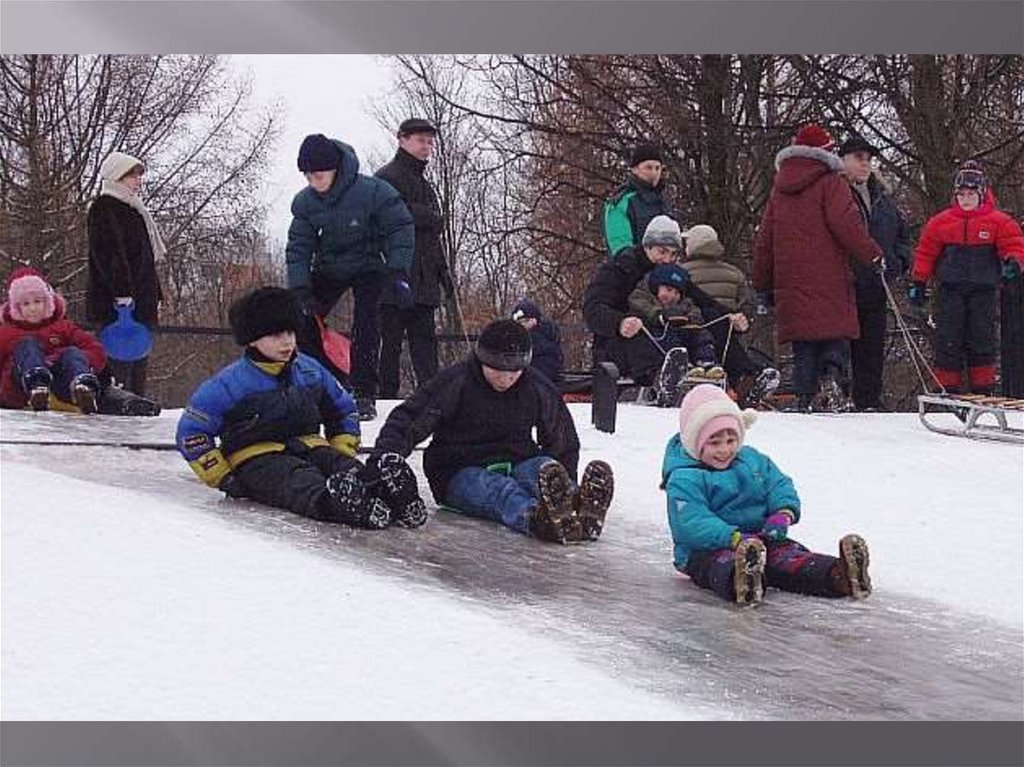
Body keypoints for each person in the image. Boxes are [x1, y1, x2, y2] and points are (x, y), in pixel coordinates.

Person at [175, 287, 426, 530]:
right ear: (251, 339)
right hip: (255, 458)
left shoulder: (309, 371)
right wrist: (223, 477)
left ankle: (388, 492)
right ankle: (336, 503)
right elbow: (192, 432)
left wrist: (342, 449)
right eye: (275, 336)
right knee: (297, 480)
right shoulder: (229, 384)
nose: (287, 343)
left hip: (309, 445)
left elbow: (343, 409)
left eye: (291, 334)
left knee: (340, 465)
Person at [370, 319, 614, 544]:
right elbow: (410, 419)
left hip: (517, 460)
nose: (507, 378)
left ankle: (576, 506)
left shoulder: (536, 386)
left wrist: (565, 472)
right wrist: (383, 461)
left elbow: (560, 432)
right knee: (501, 491)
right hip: (459, 471)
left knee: (542, 468)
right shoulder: (457, 382)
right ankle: (537, 520)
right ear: (483, 360)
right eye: (499, 370)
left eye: (514, 372)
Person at [661, 384, 872, 606]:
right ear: (695, 443)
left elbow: (778, 485)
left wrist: (783, 513)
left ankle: (838, 575)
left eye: (731, 441)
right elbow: (692, 522)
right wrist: (733, 538)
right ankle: (743, 580)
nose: (725, 450)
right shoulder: (685, 477)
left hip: (762, 538)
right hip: (707, 548)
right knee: (720, 564)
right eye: (714, 443)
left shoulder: (752, 460)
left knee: (788, 557)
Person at [752, 124, 883, 412]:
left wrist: (763, 284)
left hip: (791, 280)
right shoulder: (831, 182)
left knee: (804, 341)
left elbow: (765, 240)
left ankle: (804, 393)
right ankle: (832, 377)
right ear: (825, 152)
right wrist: (872, 255)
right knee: (834, 334)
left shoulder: (779, 189)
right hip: (829, 276)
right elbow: (846, 225)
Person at [285, 134, 415, 421]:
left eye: (318, 175)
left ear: (335, 169)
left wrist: (397, 270)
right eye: (308, 176)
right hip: (330, 266)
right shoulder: (305, 203)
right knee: (302, 319)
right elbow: (299, 247)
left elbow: (400, 227)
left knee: (367, 321)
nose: (313, 182)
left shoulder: (372, 191)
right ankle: (325, 383)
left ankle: (364, 390)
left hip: (369, 265)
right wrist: (301, 288)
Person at [584, 215, 749, 397]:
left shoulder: (673, 275)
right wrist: (619, 323)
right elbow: (593, 309)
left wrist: (730, 319)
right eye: (662, 252)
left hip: (670, 338)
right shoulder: (620, 269)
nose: (667, 259)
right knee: (643, 337)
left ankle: (744, 376)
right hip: (621, 345)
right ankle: (664, 378)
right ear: (647, 247)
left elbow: (705, 304)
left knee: (706, 329)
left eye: (672, 254)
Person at [910, 160, 1024, 395]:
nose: (966, 199)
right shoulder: (941, 222)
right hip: (950, 291)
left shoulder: (998, 222)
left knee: (981, 340)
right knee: (948, 340)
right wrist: (919, 282)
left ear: (981, 194)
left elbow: (1013, 244)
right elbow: (925, 252)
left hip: (983, 291)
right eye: (961, 194)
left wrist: (1013, 262)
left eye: (971, 194)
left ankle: (983, 389)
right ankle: (946, 389)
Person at [375, 118, 454, 399]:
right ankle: (384, 397)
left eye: (430, 142)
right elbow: (388, 219)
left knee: (425, 343)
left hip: (425, 276)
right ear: (403, 139)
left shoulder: (426, 185)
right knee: (390, 343)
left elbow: (433, 238)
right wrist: (426, 216)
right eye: (421, 140)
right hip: (394, 277)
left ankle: (431, 397)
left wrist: (443, 271)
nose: (427, 147)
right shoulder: (386, 178)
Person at [839, 135, 913, 411]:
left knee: (872, 346)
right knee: (842, 346)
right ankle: (842, 396)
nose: (865, 164)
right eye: (858, 158)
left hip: (877, 283)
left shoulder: (883, 198)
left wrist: (897, 262)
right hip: (843, 284)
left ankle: (869, 401)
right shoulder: (835, 193)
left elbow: (903, 237)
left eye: (868, 159)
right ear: (843, 160)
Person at [86, 151, 165, 397]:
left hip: (139, 301)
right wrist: (122, 293)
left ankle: (135, 406)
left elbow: (145, 259)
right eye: (132, 175)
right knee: (117, 365)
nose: (138, 181)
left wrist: (156, 293)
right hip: (118, 305)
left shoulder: (134, 209)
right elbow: (110, 253)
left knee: (137, 364)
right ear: (117, 176)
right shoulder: (105, 207)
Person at [680, 224, 780, 407]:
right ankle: (747, 377)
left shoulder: (681, 273)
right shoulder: (734, 274)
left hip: (693, 331)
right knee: (729, 345)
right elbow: (746, 305)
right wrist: (741, 320)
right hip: (726, 333)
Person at [0, 267, 106, 413]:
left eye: (37, 301)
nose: (33, 308)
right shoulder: (7, 333)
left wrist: (80, 359)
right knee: (27, 345)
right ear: (16, 308)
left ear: (47, 302)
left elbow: (93, 348)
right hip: (21, 390)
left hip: (61, 386)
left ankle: (83, 388)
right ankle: (37, 387)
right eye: (26, 304)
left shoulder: (63, 327)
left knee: (72, 352)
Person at [627, 263, 724, 379]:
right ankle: (680, 363)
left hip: (682, 331)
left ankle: (706, 361)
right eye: (668, 290)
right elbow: (642, 307)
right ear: (656, 287)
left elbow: (694, 310)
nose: (672, 296)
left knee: (702, 335)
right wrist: (659, 315)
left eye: (677, 293)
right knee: (669, 337)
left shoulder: (684, 303)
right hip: (656, 335)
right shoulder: (642, 298)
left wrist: (692, 319)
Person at [603, 142, 675, 259]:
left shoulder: (664, 200)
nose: (654, 173)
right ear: (635, 169)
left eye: (657, 168)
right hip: (635, 273)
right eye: (648, 167)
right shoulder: (622, 202)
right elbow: (620, 247)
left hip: (665, 271)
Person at [511, 298, 564, 384]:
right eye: (518, 323)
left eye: (524, 321)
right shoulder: (518, 339)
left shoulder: (539, 339)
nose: (521, 326)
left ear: (534, 321)